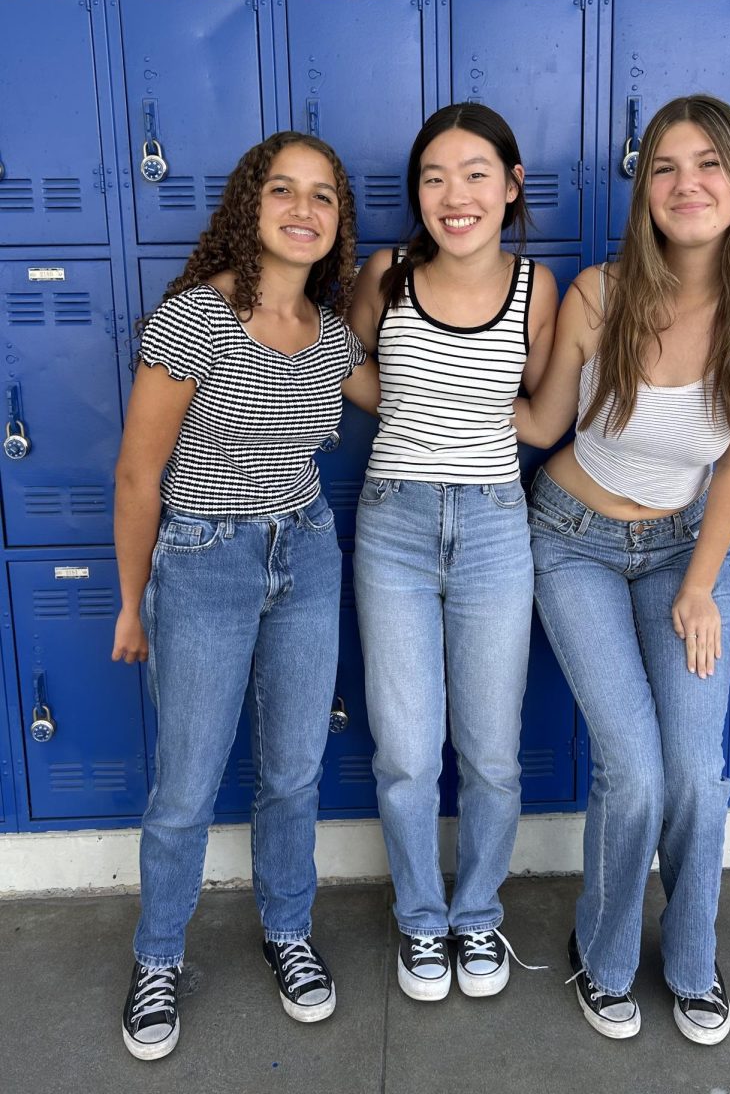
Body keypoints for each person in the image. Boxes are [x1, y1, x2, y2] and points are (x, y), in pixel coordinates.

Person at [515, 94, 730, 1044]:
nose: (688, 184)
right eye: (668, 167)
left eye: (709, 164)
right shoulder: (603, 294)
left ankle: (689, 961)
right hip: (572, 539)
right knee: (632, 771)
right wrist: (417, 381)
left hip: (684, 548)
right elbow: (544, 426)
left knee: (696, 770)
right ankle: (600, 959)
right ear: (645, 191)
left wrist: (698, 587)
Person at [111, 131, 378, 1060]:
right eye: (282, 192)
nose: (302, 211)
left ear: (339, 223)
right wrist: (131, 601)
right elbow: (139, 475)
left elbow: (410, 391)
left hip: (306, 554)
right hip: (205, 559)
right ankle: (157, 957)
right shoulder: (195, 319)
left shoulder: (334, 335)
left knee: (294, 769)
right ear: (250, 208)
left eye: (323, 198)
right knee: (184, 783)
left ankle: (288, 931)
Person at [348, 103, 558, 1001]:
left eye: (476, 173)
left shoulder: (537, 289)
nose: (453, 194)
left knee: (492, 752)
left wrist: (469, 423)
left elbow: (547, 417)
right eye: (434, 177)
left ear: (511, 187)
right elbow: (340, 364)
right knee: (403, 749)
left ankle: (478, 916)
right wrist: (407, 411)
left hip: (494, 527)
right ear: (417, 196)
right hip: (392, 524)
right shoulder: (386, 273)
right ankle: (421, 922)